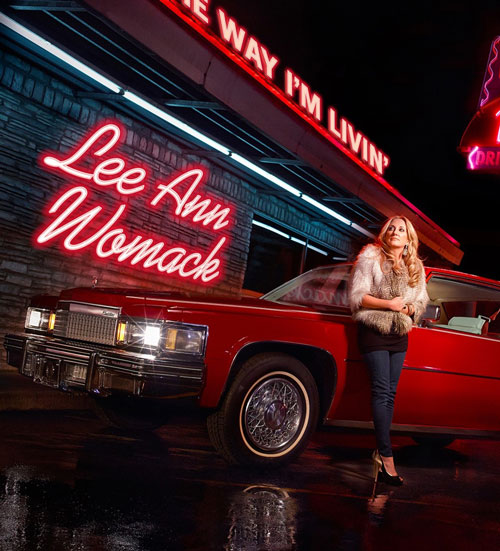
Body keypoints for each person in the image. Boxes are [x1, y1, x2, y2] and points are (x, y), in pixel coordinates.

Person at [349, 216, 429, 485]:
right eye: (391, 228)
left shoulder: (414, 266)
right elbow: (358, 297)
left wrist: (406, 309)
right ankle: (386, 457)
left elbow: (418, 304)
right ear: (385, 233)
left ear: (409, 239)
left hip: (399, 335)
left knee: (390, 395)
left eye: (401, 229)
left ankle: (380, 452)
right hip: (374, 330)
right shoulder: (371, 257)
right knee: (382, 392)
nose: (395, 232)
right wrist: (388, 305)